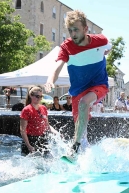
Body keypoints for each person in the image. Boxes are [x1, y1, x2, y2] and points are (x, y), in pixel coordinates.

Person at [44, 10, 111, 160]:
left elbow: (108, 45)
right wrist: (50, 80)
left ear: (86, 29)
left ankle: (74, 146)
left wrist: (106, 51)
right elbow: (58, 65)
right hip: (78, 90)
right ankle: (85, 158)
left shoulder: (100, 40)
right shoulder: (67, 47)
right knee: (80, 129)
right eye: (70, 30)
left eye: (76, 30)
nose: (73, 34)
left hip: (99, 84)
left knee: (84, 103)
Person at [20, 86, 59, 156]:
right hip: (30, 140)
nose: (40, 98)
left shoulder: (43, 108)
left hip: (42, 139)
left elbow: (47, 125)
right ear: (31, 96)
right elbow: (22, 130)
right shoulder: (26, 110)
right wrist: (29, 146)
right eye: (37, 96)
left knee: (48, 160)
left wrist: (56, 133)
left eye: (41, 96)